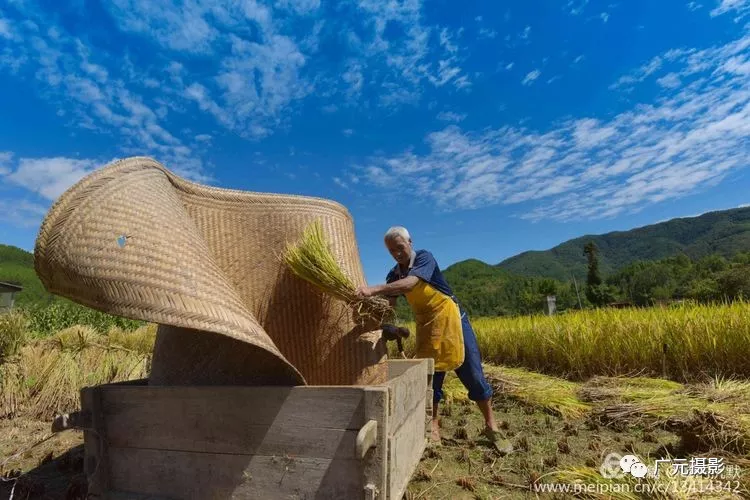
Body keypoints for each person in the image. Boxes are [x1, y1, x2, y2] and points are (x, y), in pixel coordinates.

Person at [355, 226, 513, 454]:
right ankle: (433, 425)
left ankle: (491, 426)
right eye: (392, 251)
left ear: (410, 242)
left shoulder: (424, 258)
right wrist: (389, 327)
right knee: (431, 380)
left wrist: (372, 290)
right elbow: (389, 307)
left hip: (452, 321)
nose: (397, 254)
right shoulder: (393, 276)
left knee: (473, 374)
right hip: (427, 326)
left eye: (399, 247)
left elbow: (410, 284)